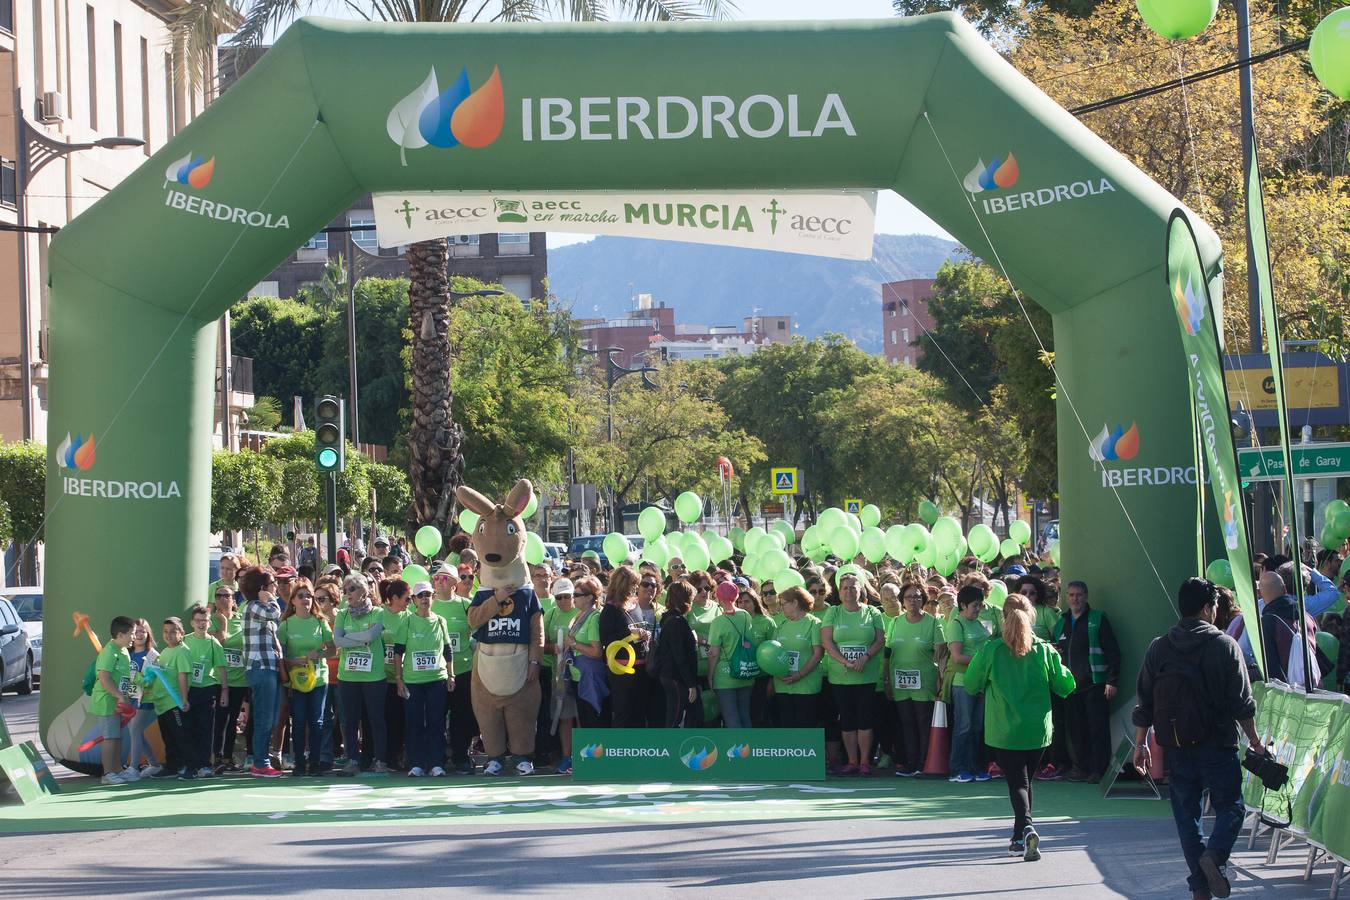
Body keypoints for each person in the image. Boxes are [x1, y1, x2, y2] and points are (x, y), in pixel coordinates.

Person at [1133, 578, 1265, 900]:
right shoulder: (1224, 646)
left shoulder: (1158, 647)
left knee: (1187, 820)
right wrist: (1256, 742)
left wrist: (1140, 744)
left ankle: (1200, 889)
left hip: (1176, 746)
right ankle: (1215, 856)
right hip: (1218, 745)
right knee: (1231, 808)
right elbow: (1242, 705)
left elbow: (1145, 702)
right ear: (1207, 608)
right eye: (1215, 606)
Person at [964, 595, 1075, 861]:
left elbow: (970, 684)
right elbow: (1066, 686)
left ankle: (1026, 827)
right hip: (1037, 730)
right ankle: (1018, 836)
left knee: (1017, 783)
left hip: (1004, 729)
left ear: (1004, 617)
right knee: (1024, 782)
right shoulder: (1044, 650)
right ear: (1032, 616)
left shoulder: (991, 650)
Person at [1053, 581, 1121, 783]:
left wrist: (1112, 680)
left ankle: (1098, 770)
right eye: (1072, 595)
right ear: (1067, 596)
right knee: (1077, 730)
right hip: (1070, 687)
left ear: (1086, 596)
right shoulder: (1061, 622)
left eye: (1079, 594)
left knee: (1097, 729)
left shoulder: (1097, 619)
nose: (1075, 599)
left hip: (1095, 684)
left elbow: (1113, 651)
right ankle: (1081, 768)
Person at [821, 572, 886, 775]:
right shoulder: (833, 613)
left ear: (861, 590)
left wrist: (864, 658)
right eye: (845, 588)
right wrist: (845, 662)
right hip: (840, 675)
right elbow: (827, 642)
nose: (849, 591)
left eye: (853, 587)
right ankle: (851, 760)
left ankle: (865, 761)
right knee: (847, 719)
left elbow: (880, 640)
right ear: (840, 592)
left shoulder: (873, 613)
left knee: (864, 718)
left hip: (866, 674)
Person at [392, 582, 453, 777]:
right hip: (413, 681)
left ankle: (436, 763)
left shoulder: (441, 621)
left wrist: (451, 674)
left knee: (437, 722)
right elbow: (398, 652)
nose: (425, 598)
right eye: (420, 596)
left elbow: (448, 650)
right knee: (414, 723)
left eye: (428, 594)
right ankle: (416, 763)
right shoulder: (407, 622)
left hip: (437, 679)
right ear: (414, 600)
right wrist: (399, 679)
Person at [278, 580, 333, 776]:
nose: (305, 600)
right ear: (292, 601)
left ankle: (315, 761)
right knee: (299, 721)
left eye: (308, 596)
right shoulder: (285, 625)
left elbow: (333, 650)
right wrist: (293, 662)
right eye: (300, 596)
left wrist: (319, 655)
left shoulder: (320, 622)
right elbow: (280, 655)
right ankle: (300, 763)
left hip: (319, 679)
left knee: (317, 721)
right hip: (297, 681)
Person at [887, 582, 941, 777]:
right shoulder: (895, 623)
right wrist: (886, 680)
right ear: (902, 600)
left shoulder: (933, 623)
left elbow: (941, 654)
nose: (913, 600)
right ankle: (910, 762)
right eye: (908, 597)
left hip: (924, 680)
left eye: (917, 597)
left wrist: (940, 681)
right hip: (900, 680)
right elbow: (888, 653)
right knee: (906, 722)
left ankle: (924, 762)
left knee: (923, 721)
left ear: (923, 600)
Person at [432, 565, 478, 775]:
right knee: (436, 716)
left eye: (444, 578)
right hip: (435, 672)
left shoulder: (466, 605)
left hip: (463, 670)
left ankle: (461, 756)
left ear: (454, 583)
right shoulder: (426, 605)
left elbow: (478, 633)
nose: (439, 582)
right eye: (436, 578)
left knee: (462, 716)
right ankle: (438, 757)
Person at [945, 585, 994, 783]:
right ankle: (957, 768)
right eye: (974, 605)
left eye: (980, 604)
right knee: (963, 726)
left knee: (976, 727)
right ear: (963, 605)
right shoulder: (956, 624)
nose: (978, 608)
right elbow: (957, 657)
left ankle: (974, 767)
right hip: (962, 683)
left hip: (980, 683)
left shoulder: (979, 624)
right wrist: (983, 660)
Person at [240, 566, 285, 778]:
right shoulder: (254, 606)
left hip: (265, 667)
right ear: (261, 588)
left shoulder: (254, 606)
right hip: (261, 667)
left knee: (265, 716)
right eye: (271, 584)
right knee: (264, 717)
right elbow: (275, 613)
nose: (275, 587)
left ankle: (261, 760)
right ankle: (261, 762)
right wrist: (270, 598)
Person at [599, 565, 651, 728]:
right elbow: (605, 639)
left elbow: (640, 627)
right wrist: (628, 634)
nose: (636, 588)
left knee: (639, 711)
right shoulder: (610, 609)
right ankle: (620, 749)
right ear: (623, 585)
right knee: (623, 711)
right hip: (620, 669)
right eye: (633, 584)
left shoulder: (635, 605)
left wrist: (644, 634)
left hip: (641, 665)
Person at [182, 603, 228, 778]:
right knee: (188, 728)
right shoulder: (184, 641)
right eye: (198, 620)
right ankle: (190, 765)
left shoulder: (213, 643)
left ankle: (204, 765)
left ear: (209, 623)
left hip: (207, 690)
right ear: (192, 622)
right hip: (187, 690)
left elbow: (221, 668)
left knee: (206, 728)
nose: (202, 623)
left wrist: (224, 691)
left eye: (205, 621)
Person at [541, 578, 581, 771]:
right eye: (559, 597)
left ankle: (583, 755)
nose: (564, 601)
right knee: (564, 716)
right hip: (557, 675)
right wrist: (553, 648)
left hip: (580, 674)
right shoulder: (550, 614)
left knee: (581, 715)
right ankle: (566, 757)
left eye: (567, 597)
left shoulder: (581, 614)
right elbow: (542, 644)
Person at [707, 579, 758, 728]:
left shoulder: (718, 622)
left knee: (731, 718)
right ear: (736, 597)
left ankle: (737, 751)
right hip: (746, 671)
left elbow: (714, 653)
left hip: (725, 677)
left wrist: (710, 676)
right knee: (744, 715)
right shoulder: (746, 615)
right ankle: (748, 749)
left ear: (718, 598)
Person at [92, 616, 136, 785]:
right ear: (120, 635)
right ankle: (108, 773)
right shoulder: (109, 651)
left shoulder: (124, 651)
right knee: (110, 737)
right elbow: (104, 677)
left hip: (119, 703)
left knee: (117, 737)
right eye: (131, 634)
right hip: (106, 702)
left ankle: (117, 769)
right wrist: (119, 695)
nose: (134, 637)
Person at [772, 586, 824, 729]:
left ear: (795, 603)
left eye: (783, 604)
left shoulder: (814, 623)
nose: (781, 607)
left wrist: (800, 675)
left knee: (806, 726)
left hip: (806, 686)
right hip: (783, 685)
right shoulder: (781, 625)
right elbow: (773, 654)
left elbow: (818, 653)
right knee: (787, 727)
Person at [209, 586, 249, 771]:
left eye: (228, 595)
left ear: (234, 599)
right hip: (219, 679)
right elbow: (218, 644)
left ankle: (227, 757)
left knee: (232, 719)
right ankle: (215, 755)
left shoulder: (241, 619)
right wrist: (223, 625)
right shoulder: (211, 621)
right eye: (219, 596)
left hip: (239, 679)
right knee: (219, 719)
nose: (224, 599)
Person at [150, 616, 194, 780]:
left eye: (173, 632)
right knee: (168, 737)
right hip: (162, 704)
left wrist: (184, 699)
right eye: (165, 632)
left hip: (174, 703)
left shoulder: (182, 651)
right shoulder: (165, 651)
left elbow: (182, 676)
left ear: (181, 633)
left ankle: (191, 767)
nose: (168, 635)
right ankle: (172, 766)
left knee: (182, 736)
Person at [654, 580, 702, 727]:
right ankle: (672, 746)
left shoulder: (670, 619)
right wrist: (691, 684)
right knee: (676, 716)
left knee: (680, 715)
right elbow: (680, 656)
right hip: (676, 677)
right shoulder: (676, 622)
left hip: (672, 676)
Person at [565, 575, 609, 730]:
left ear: (590, 597)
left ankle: (597, 754)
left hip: (590, 678)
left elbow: (596, 652)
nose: (573, 598)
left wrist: (574, 644)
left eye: (576, 595)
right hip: (578, 676)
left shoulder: (594, 617)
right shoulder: (579, 614)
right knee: (584, 720)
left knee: (592, 720)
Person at [379, 579, 412, 771]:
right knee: (384, 720)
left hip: (403, 678)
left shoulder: (409, 617)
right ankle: (384, 757)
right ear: (394, 598)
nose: (409, 602)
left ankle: (398, 757)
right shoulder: (378, 615)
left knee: (401, 720)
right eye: (407, 599)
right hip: (382, 677)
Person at [124, 619, 162, 777]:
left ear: (148, 634)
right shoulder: (126, 653)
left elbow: (149, 682)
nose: (139, 635)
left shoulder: (153, 656)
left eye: (143, 631)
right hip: (130, 700)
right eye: (136, 632)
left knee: (135, 730)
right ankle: (154, 764)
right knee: (136, 732)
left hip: (147, 700)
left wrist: (136, 677)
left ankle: (133, 768)